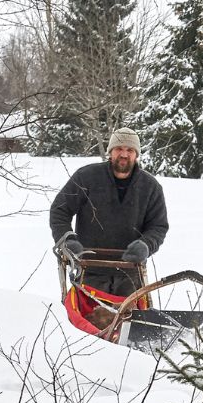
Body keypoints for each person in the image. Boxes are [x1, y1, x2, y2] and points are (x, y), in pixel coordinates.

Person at [50, 127, 169, 298]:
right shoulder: (86, 177)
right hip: (89, 271)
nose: (124, 154)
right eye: (119, 149)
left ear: (136, 154)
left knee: (130, 322)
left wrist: (146, 245)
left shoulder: (150, 187)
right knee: (90, 321)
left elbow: (158, 226)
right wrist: (67, 240)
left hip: (131, 274)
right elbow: (59, 211)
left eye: (130, 150)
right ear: (110, 151)